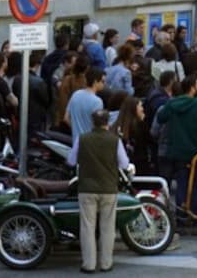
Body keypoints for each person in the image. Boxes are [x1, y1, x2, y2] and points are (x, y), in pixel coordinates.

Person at [67, 109, 129, 274]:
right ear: (107, 122)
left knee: (87, 227)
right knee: (108, 227)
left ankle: (89, 264)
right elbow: (124, 164)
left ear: (92, 122)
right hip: (109, 188)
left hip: (86, 188)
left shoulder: (83, 139)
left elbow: (71, 160)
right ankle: (106, 263)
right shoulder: (115, 140)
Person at [156, 75, 197, 210]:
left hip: (174, 149)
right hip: (194, 150)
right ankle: (193, 213)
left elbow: (161, 117)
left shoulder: (171, 104)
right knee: (194, 185)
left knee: (181, 183)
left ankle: (181, 212)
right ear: (192, 88)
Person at [12, 51, 50, 135]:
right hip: (36, 118)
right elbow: (46, 101)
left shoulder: (17, 78)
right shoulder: (39, 82)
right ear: (37, 65)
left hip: (21, 116)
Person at [65, 68, 106, 141]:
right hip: (89, 143)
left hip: (76, 141)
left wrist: (76, 129)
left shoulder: (76, 94)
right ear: (95, 82)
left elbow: (66, 118)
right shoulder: (97, 101)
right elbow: (97, 126)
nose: (104, 84)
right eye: (102, 81)